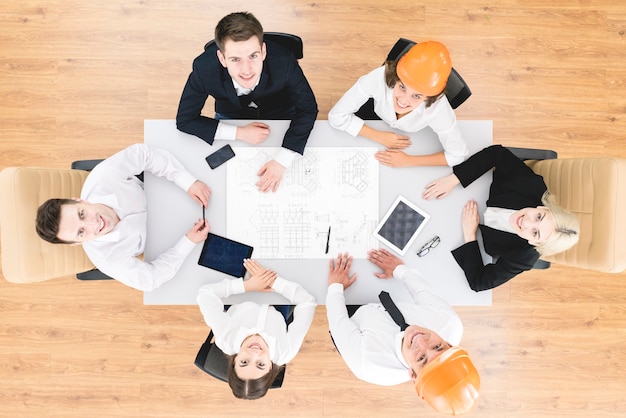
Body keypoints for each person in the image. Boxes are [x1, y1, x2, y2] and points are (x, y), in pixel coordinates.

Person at [35, 144, 211, 291]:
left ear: (79, 200)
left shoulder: (103, 176)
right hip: (168, 237)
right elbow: (151, 279)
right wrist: (187, 243)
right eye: (81, 232)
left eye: (82, 213)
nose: (94, 222)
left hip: (168, 192)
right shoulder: (108, 260)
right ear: (77, 243)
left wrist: (186, 181)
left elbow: (144, 154)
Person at [176, 11, 318, 193]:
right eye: (235, 59)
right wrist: (239, 133)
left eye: (253, 56)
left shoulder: (285, 62)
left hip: (281, 110)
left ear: (264, 51)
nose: (247, 70)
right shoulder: (204, 70)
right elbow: (185, 120)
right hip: (231, 113)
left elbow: (308, 109)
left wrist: (283, 159)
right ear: (222, 58)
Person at [326, 251, 480, 415]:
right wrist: (399, 270)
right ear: (450, 344)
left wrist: (335, 288)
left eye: (421, 358)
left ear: (412, 375)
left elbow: (338, 322)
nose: (420, 340)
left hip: (354, 319)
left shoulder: (368, 362)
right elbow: (422, 291)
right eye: (438, 346)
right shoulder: (449, 323)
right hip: (388, 300)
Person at [422, 144, 580, 291]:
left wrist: (470, 235)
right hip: (473, 190)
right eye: (539, 217)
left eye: (535, 233)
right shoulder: (531, 185)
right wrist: (453, 180)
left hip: (453, 226)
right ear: (543, 207)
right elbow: (496, 153)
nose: (526, 222)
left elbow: (479, 282)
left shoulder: (524, 257)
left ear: (535, 244)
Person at [328, 41, 469, 168]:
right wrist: (378, 136)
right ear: (396, 76)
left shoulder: (439, 110)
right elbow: (336, 117)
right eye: (402, 87)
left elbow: (458, 155)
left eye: (417, 96)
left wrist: (410, 161)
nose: (404, 100)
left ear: (429, 97)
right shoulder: (379, 77)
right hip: (374, 115)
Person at [197, 259, 316, 400]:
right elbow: (308, 302)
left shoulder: (225, 338)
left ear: (235, 361)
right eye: (260, 364)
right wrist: (273, 282)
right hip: (278, 301)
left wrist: (247, 286)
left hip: (243, 296)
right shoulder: (285, 352)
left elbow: (205, 294)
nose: (254, 354)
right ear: (271, 367)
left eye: (244, 362)